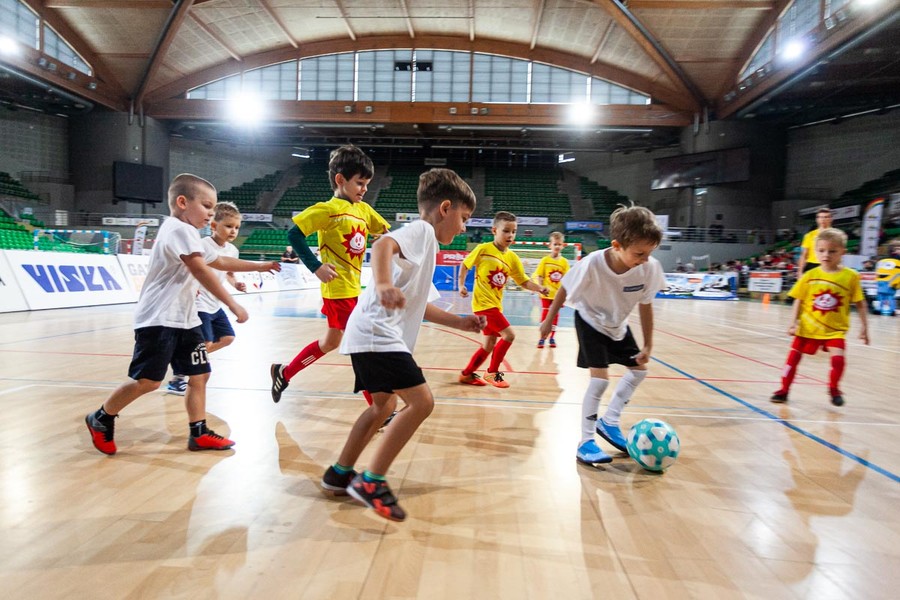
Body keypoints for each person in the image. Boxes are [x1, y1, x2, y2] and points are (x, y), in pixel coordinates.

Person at [322, 168, 484, 521]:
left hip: (367, 334)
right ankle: (372, 481)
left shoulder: (425, 251)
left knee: (382, 407)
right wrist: (381, 284)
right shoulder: (423, 231)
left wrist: (460, 321)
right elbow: (382, 244)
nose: (463, 228)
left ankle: (339, 473)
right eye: (464, 218)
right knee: (421, 402)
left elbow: (418, 304)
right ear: (445, 208)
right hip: (378, 334)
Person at [84, 174, 280, 455]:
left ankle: (198, 432)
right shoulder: (178, 229)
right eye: (207, 207)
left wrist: (259, 267)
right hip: (159, 318)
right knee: (148, 381)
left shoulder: (187, 232)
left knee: (200, 374)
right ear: (182, 202)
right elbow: (200, 269)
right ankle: (101, 418)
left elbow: (220, 261)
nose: (211, 214)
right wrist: (233, 304)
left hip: (187, 319)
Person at [539, 205, 665, 465]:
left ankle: (609, 422)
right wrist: (548, 321)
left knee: (639, 371)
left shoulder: (649, 267)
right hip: (589, 320)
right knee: (599, 382)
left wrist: (649, 343)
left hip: (617, 324)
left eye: (649, 253)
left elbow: (646, 304)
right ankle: (585, 442)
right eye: (639, 253)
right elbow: (564, 288)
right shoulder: (593, 263)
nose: (645, 259)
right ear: (617, 245)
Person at [269, 145, 390, 404]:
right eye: (359, 183)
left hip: (355, 290)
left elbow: (387, 235)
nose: (364, 189)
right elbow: (294, 234)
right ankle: (378, 408)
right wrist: (316, 266)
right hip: (337, 290)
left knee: (331, 342)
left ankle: (284, 372)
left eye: (367, 183)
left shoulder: (364, 210)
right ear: (340, 179)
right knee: (360, 346)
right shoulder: (327, 209)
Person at [771, 228, 869, 406]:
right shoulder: (810, 275)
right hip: (807, 327)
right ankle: (784, 390)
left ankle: (834, 389)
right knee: (792, 360)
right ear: (815, 252)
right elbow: (799, 301)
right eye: (822, 250)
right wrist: (793, 323)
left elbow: (860, 303)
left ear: (842, 252)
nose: (826, 255)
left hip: (834, 330)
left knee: (838, 359)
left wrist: (864, 328)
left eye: (832, 251)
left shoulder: (851, 277)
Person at [166, 201, 251, 394]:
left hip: (215, 304)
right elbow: (192, 268)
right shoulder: (202, 246)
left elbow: (228, 272)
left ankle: (187, 359)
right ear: (213, 226)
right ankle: (178, 377)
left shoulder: (233, 251)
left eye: (237, 227)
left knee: (228, 338)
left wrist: (235, 283)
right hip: (199, 303)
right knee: (206, 343)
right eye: (229, 226)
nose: (233, 231)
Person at [457, 211, 548, 388]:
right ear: (494, 230)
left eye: (513, 231)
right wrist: (461, 285)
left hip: (495, 306)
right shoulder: (483, 249)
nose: (510, 235)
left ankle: (466, 374)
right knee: (509, 335)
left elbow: (523, 281)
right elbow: (465, 264)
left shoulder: (512, 258)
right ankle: (492, 373)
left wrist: (539, 288)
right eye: (506, 231)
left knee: (489, 344)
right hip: (483, 305)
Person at [534, 231, 570, 349]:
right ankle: (542, 338)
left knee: (555, 315)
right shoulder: (545, 260)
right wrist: (540, 288)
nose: (557, 246)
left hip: (557, 295)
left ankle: (552, 337)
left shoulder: (564, 262)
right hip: (546, 294)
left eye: (559, 244)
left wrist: (565, 295)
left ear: (563, 245)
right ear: (550, 245)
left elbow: (567, 279)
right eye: (555, 244)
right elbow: (540, 275)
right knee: (545, 313)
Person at [797, 207, 833, 273]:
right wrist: (799, 272)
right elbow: (804, 255)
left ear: (831, 219)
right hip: (811, 266)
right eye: (821, 217)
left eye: (826, 217)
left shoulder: (837, 235)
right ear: (817, 219)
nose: (823, 219)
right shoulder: (809, 235)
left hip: (829, 265)